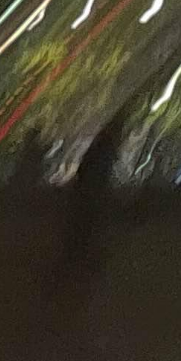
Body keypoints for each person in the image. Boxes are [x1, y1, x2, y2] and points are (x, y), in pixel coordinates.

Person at [58, 101, 130, 292]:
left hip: (88, 196)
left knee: (81, 233)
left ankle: (72, 270)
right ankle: (75, 273)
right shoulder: (105, 150)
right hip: (91, 196)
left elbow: (86, 171)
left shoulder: (100, 149)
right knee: (85, 232)